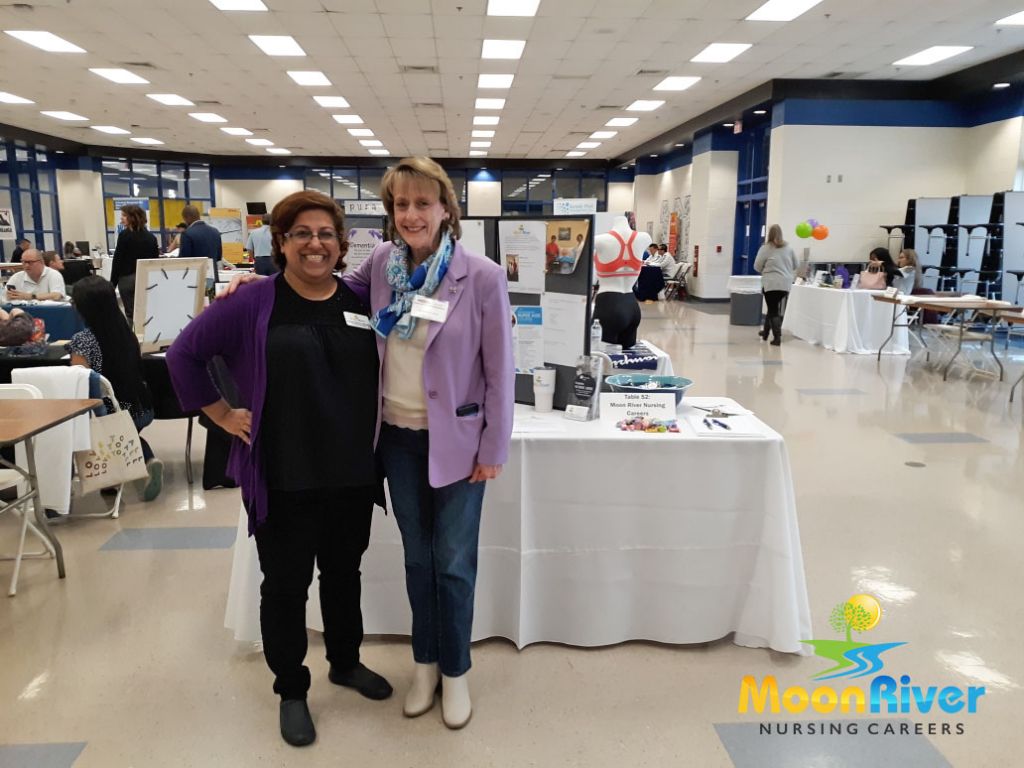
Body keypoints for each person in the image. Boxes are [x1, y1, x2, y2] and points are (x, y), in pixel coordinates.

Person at [166, 190, 392, 748]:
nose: (315, 244)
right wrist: (221, 413)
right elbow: (183, 353)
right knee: (286, 587)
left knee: (345, 574)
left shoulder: (362, 297)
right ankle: (291, 688)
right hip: (284, 472)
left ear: (341, 244)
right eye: (302, 234)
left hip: (351, 471)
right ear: (282, 242)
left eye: (326, 234)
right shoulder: (253, 301)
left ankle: (345, 661)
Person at [349, 157, 514, 730]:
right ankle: (424, 664)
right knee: (417, 561)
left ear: (447, 209)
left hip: (461, 446)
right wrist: (259, 283)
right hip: (396, 440)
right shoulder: (378, 266)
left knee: (453, 565)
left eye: (423, 203)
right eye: (401, 205)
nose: (412, 214)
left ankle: (457, 673)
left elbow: (500, 370)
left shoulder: (482, 276)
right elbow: (318, 291)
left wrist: (493, 448)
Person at [67, 276, 163, 501]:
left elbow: (80, 379)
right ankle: (140, 464)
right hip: (141, 406)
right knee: (125, 429)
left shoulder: (83, 341)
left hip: (109, 412)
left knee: (101, 425)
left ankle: (119, 474)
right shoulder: (127, 333)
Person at [110, 204, 158, 321]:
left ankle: (132, 337)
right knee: (146, 313)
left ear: (132, 217)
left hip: (127, 280)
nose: (121, 218)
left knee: (131, 314)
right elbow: (154, 262)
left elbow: (118, 261)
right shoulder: (151, 237)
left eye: (124, 216)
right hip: (145, 279)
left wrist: (113, 283)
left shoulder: (124, 236)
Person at [753, 224, 799, 346]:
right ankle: (766, 333)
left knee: (773, 310)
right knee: (772, 307)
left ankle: (777, 337)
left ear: (770, 234)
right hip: (785, 284)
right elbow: (796, 264)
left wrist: (767, 269)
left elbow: (756, 266)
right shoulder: (789, 248)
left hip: (771, 284)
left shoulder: (766, 248)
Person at [179, 204, 222, 282]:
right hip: (213, 278)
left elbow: (184, 260)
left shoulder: (187, 234)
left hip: (195, 280)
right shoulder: (215, 232)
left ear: (188, 217)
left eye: (184, 219)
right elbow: (219, 257)